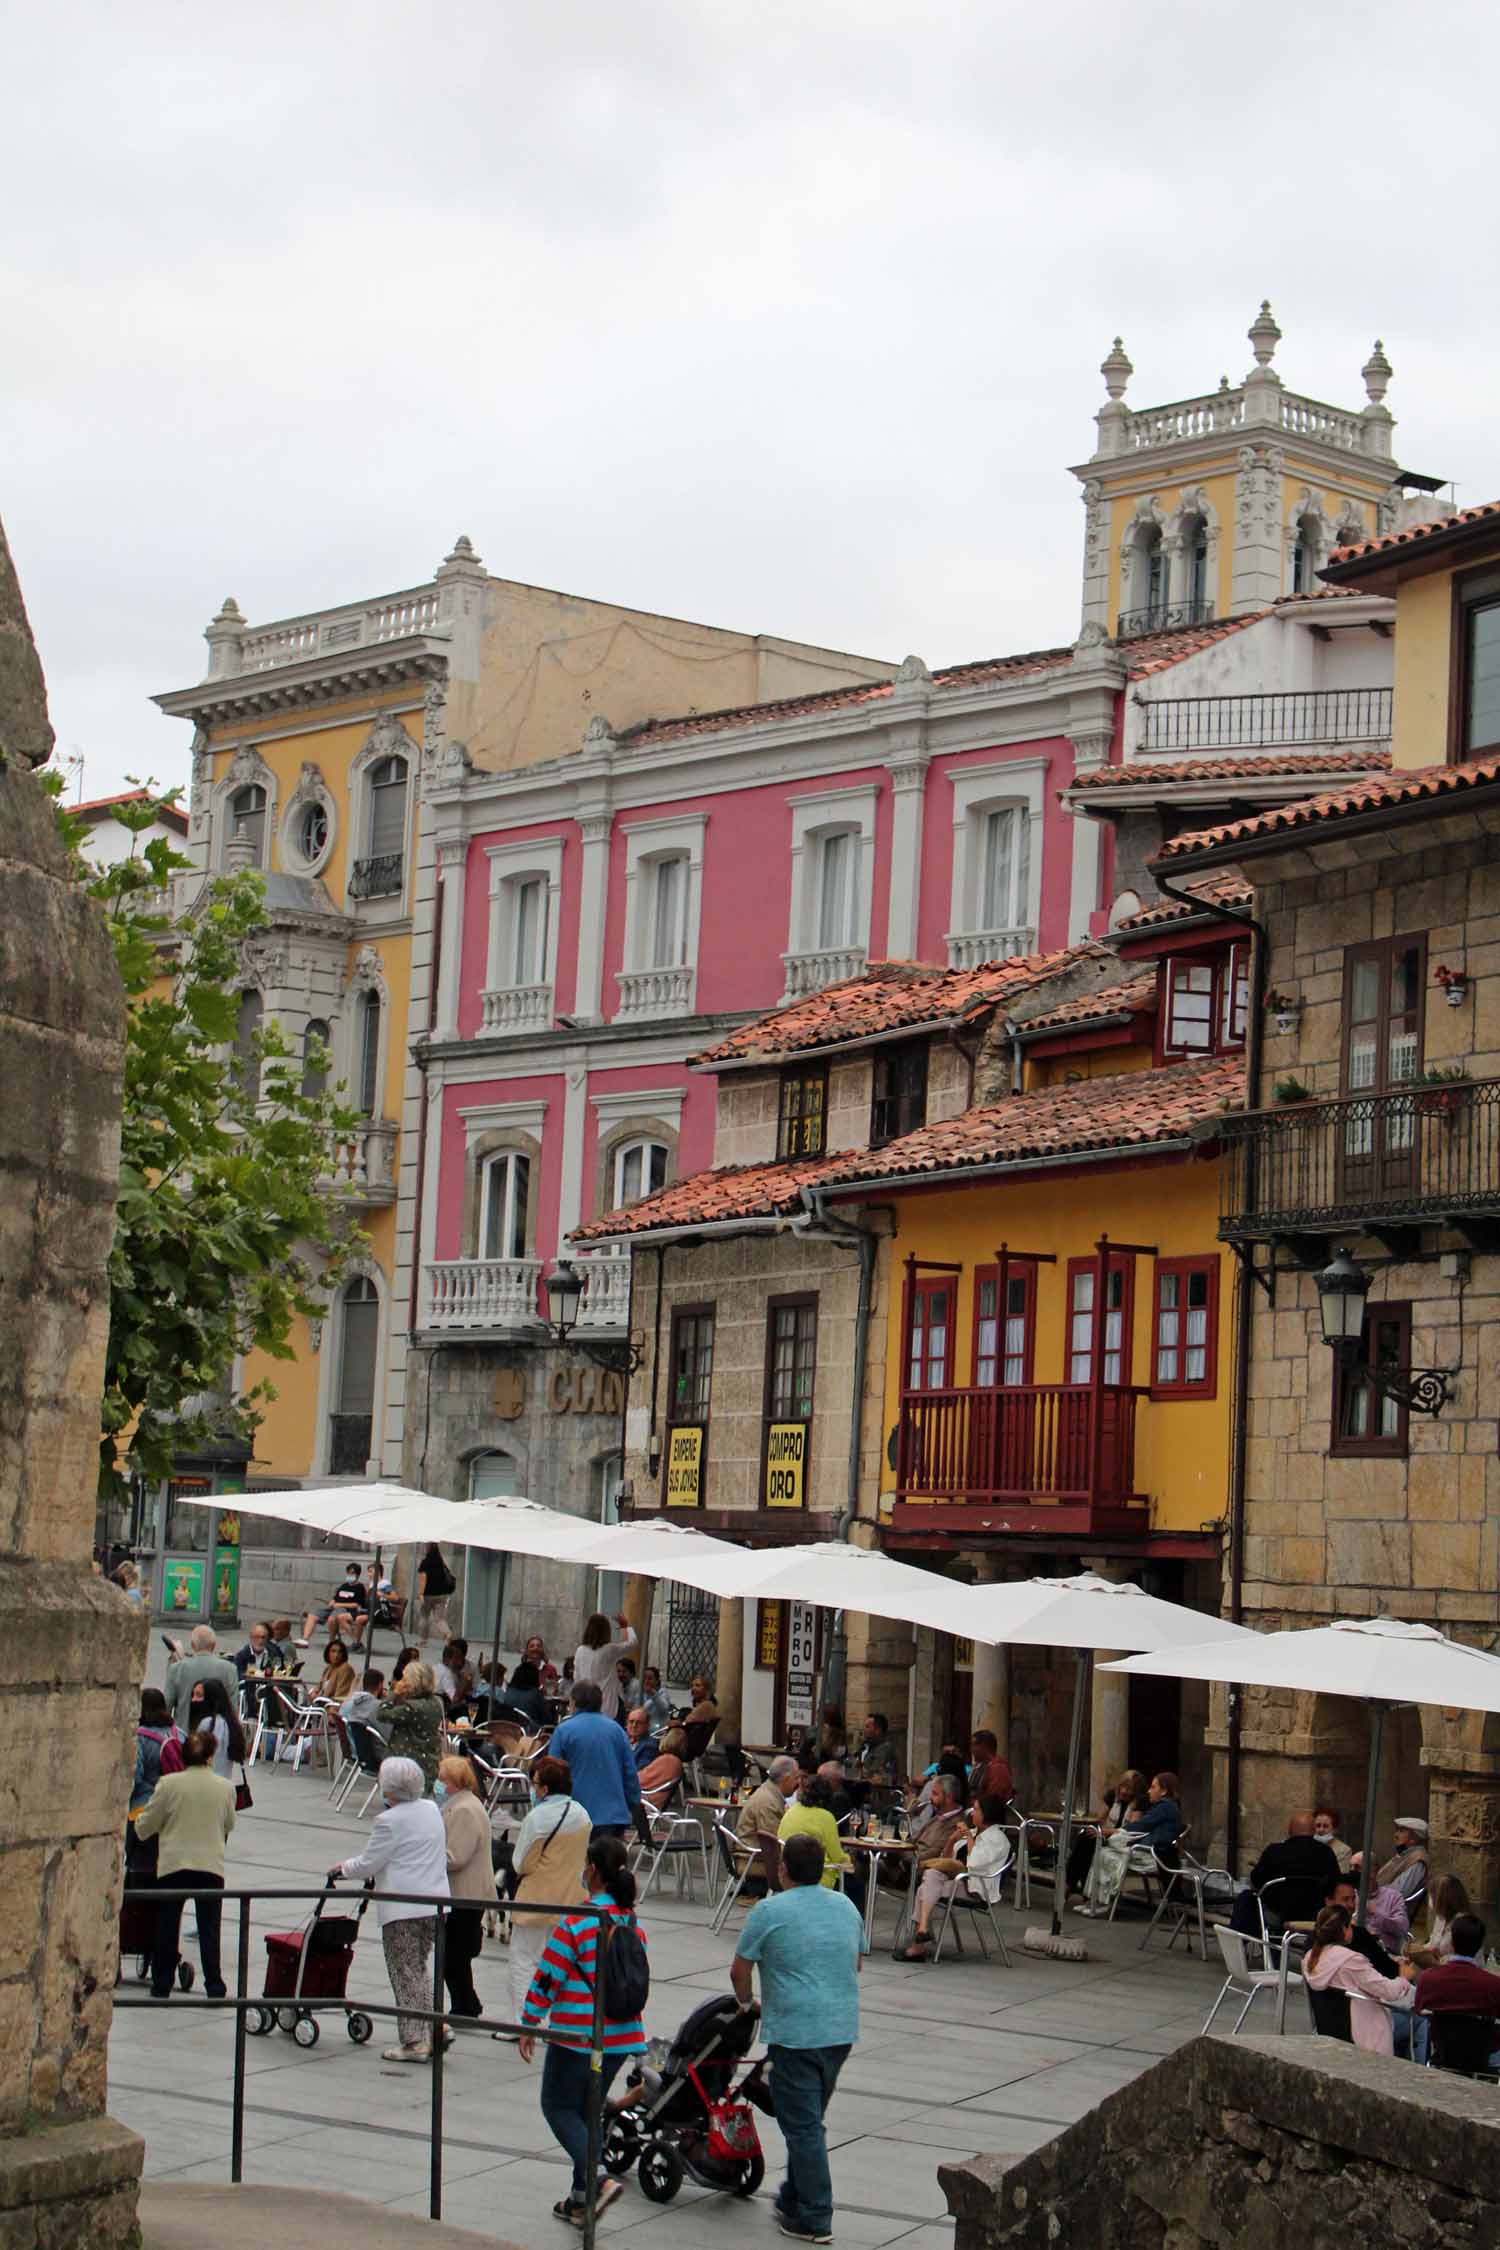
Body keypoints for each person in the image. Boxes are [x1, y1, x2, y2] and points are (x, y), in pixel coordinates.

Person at [733, 1832, 862, 2246]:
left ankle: (815, 2217)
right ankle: (792, 2197)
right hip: (839, 2031)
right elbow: (855, 1961)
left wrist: (747, 2003)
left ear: (782, 1869)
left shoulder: (769, 1911)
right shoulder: (845, 1906)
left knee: (804, 2128)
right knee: (806, 2121)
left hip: (795, 2033)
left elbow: (739, 1970)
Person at [519, 1834, 645, 2227]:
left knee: (557, 2106)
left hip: (580, 2034)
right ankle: (580, 2200)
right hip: (624, 2035)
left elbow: (548, 1974)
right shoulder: (629, 1918)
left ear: (591, 1869)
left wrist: (529, 2020)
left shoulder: (581, 1917)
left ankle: (599, 2179)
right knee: (588, 2113)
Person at [331, 1756, 449, 2061]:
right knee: (419, 1967)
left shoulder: (389, 1821)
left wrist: (342, 1868)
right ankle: (437, 2023)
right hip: (434, 1902)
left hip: (403, 1907)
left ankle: (414, 2042)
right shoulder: (431, 1809)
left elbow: (369, 1862)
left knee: (404, 1971)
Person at [134, 1728, 236, 2001]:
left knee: (166, 1925)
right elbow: (229, 1825)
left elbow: (146, 1826)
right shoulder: (225, 1788)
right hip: (210, 1866)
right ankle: (214, 1985)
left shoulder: (168, 1784)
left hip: (174, 1864)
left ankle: (162, 1984)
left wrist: (141, 1825)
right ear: (211, 1756)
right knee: (209, 1928)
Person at [504, 1753, 593, 2039]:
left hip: (536, 1897)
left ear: (543, 1788)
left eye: (534, 1783)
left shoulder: (537, 1817)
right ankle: (556, 2017)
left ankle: (524, 2023)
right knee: (558, 1961)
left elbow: (519, 1863)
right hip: (570, 1898)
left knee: (523, 1959)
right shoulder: (582, 1814)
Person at [1302, 1900, 1411, 2054]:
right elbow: (1389, 1992)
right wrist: (1404, 1977)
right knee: (1418, 2022)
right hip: (1366, 2036)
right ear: (1345, 1929)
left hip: (1331, 2033)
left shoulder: (1309, 1959)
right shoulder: (1350, 1961)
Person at [436, 1756, 497, 2020]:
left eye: (442, 1779)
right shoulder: (460, 1805)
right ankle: (466, 2003)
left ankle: (466, 2005)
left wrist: (425, 1858)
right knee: (456, 1954)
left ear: (453, 1782)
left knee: (454, 1955)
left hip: (466, 1893)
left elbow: (456, 1856)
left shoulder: (464, 1810)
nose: (438, 1784)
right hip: (465, 1893)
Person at [1078, 1771, 1183, 1918]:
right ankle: (1096, 1900)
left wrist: (1109, 1832)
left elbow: (1140, 1826)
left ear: (1164, 1791)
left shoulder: (1165, 1807)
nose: (1149, 1791)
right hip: (1151, 1851)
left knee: (1107, 1855)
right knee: (1103, 1853)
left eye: (1153, 1787)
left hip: (1153, 1855)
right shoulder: (1165, 1807)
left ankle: (1105, 1902)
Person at [548, 1680, 643, 1838]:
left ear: (574, 1702)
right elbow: (630, 1774)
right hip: (613, 1816)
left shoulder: (564, 1731)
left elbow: (551, 1773)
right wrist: (634, 1803)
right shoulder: (617, 1730)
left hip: (575, 1813)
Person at [1229, 1812, 1341, 1937]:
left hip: (1277, 1915)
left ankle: (1239, 1946)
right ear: (1313, 1830)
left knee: (1246, 1898)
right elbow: (1335, 1883)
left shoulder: (1274, 1851)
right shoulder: (1326, 1853)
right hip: (1314, 1915)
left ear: (1289, 1830)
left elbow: (1256, 1880)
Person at [1412, 1910, 1500, 2063]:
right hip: (1483, 2054)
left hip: (1441, 2051)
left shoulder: (1429, 1978)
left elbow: (1419, 2009)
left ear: (1451, 1943)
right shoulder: (1493, 1984)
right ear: (1480, 1945)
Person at [901, 1774, 970, 1959]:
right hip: (912, 1862)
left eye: (935, 1794)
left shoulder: (956, 1823)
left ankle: (918, 1942)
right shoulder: (937, 1817)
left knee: (927, 1881)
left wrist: (906, 1856)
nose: (930, 1798)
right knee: (860, 1865)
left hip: (923, 1868)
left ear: (948, 1798)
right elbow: (914, 1840)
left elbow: (936, 1852)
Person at [1065, 1770, 1145, 1899]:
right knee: (1085, 1838)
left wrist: (1105, 1832)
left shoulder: (1140, 1802)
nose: (1124, 1791)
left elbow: (1130, 1829)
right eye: (1123, 1786)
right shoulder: (1112, 1795)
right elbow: (1099, 1819)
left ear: (1136, 1792)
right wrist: (1101, 1830)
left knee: (1087, 1841)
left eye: (1129, 1789)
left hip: (1123, 1842)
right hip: (1106, 1835)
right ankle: (1079, 1888)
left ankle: (1071, 1885)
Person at [738, 1756, 803, 1892]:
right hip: (755, 1860)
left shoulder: (768, 1793)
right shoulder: (768, 1802)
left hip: (753, 1854)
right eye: (797, 1778)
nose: (799, 1783)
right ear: (786, 1779)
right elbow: (774, 1840)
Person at [779, 1773, 853, 1892]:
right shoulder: (826, 1817)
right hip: (815, 1877)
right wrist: (849, 1861)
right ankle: (848, 1910)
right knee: (856, 1884)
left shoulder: (791, 1811)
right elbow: (837, 1856)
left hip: (789, 1874)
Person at [383, 1661, 445, 1791]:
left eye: (404, 1678)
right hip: (429, 1758)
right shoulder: (436, 1701)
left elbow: (382, 1714)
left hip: (409, 1761)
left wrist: (394, 1693)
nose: (401, 1682)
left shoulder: (411, 1707)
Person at [163, 1626, 239, 1732]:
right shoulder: (230, 1669)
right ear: (214, 1645)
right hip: (216, 1735)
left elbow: (167, 1704)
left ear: (192, 1645)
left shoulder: (176, 1668)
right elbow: (233, 1708)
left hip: (184, 1733)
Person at [572, 1612, 638, 1721]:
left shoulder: (580, 1650)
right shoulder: (609, 1650)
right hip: (608, 1704)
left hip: (586, 1704)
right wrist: (626, 1626)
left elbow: (577, 1678)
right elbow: (633, 1643)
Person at [1351, 1815, 1429, 1909]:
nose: (1395, 1835)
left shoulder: (1418, 1859)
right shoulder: (1404, 1855)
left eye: (1401, 1831)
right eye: (1397, 1831)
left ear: (1413, 1838)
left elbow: (1399, 1892)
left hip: (1387, 1911)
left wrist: (1371, 1893)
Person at [189, 1674, 248, 1784]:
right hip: (224, 1784)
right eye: (193, 1695)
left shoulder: (207, 1724)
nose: (193, 1700)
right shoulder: (229, 1723)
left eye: (198, 1695)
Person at [1406, 1873, 1473, 1969]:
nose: (1430, 1900)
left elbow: (1463, 1963)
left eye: (1432, 1896)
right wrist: (1416, 1949)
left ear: (1443, 1899)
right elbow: (1433, 1943)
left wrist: (1433, 1958)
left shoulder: (1464, 1925)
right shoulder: (1441, 1918)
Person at [299, 1562, 368, 1647]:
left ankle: (331, 1641)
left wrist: (339, 1605)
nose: (349, 1575)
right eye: (348, 1573)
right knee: (313, 1615)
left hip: (345, 1610)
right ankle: (304, 1640)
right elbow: (335, 1598)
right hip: (333, 1607)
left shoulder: (360, 1588)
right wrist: (332, 1601)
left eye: (352, 1573)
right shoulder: (344, 1586)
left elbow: (356, 1605)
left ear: (357, 1575)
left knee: (332, 1618)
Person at [417, 1544, 456, 1641]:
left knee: (424, 1616)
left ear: (427, 1549)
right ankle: (447, 1633)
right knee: (439, 1619)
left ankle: (423, 1640)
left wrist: (421, 1593)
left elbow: (423, 1579)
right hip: (442, 1594)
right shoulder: (441, 1562)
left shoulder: (425, 1562)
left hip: (428, 1594)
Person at [967, 1730, 1013, 1808]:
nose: (971, 1749)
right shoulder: (980, 1766)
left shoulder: (998, 1768)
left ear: (983, 1746)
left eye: (973, 1745)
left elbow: (992, 1799)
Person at [499, 1659, 547, 1731]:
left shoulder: (508, 1691)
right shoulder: (535, 1694)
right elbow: (545, 1719)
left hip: (508, 1731)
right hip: (530, 1733)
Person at [855, 1713, 898, 1789]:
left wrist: (859, 1768)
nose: (864, 1730)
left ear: (878, 1730)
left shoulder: (885, 1748)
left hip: (877, 1791)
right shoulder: (867, 1745)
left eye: (867, 1727)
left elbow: (872, 1773)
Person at [436, 1638, 474, 1715]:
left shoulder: (436, 1667)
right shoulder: (446, 1673)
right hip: (442, 1710)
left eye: (460, 1659)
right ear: (446, 1659)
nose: (460, 1663)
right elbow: (455, 1699)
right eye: (456, 1659)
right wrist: (464, 1681)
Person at [313, 1637, 356, 1706]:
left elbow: (340, 1695)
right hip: (323, 1703)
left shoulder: (345, 1669)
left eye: (340, 1652)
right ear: (328, 1653)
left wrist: (320, 1698)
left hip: (335, 1707)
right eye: (333, 1651)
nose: (336, 1655)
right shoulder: (328, 1668)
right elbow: (319, 1687)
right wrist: (314, 1692)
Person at [1313, 1805, 1354, 1875]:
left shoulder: (1344, 1851)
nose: (1321, 1829)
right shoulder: (1308, 1845)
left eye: (1325, 1826)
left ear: (1334, 1829)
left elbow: (1341, 1875)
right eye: (1318, 1825)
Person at [623, 1704, 659, 1772]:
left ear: (647, 1726)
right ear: (626, 1723)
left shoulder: (649, 1746)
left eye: (639, 1722)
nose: (634, 1725)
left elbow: (638, 1772)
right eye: (631, 1721)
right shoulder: (622, 1740)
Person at [639, 1665, 672, 1731]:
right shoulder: (643, 1694)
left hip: (659, 1731)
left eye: (650, 1678)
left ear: (657, 1681)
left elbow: (664, 1707)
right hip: (646, 1731)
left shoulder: (663, 1692)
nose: (646, 1681)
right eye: (645, 1678)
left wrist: (653, 1693)